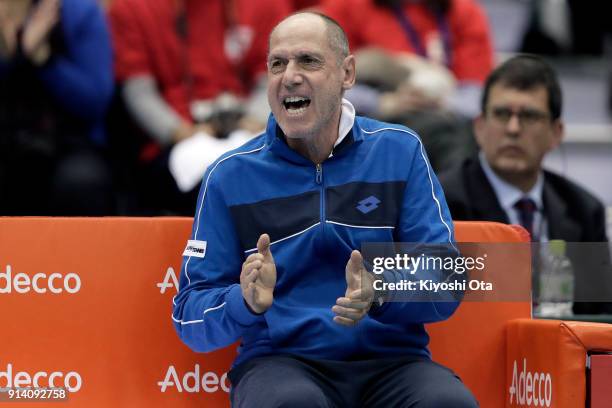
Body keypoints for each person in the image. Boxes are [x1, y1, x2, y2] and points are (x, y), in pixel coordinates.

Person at [172, 11, 477, 407]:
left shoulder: (400, 151)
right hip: (280, 363)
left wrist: (382, 288)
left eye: (308, 61)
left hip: (394, 363)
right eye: (277, 64)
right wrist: (242, 301)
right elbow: (188, 317)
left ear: (347, 73)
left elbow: (447, 278)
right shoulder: (230, 175)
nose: (290, 76)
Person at [439, 55, 612, 315]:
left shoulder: (584, 210)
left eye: (529, 116)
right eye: (501, 114)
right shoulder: (440, 202)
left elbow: (600, 319)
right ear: (479, 127)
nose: (513, 128)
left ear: (556, 133)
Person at [108, 0, 291, 214]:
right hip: (176, 137)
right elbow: (139, 91)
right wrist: (178, 132)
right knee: (218, 184)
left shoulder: (266, 5)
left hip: (252, 126)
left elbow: (272, 77)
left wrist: (253, 121)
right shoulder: (131, 7)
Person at [0, 0, 115, 215]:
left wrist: (44, 59)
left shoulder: (80, 13)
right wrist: (9, 57)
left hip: (69, 143)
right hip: (8, 138)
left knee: (81, 182)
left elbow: (94, 101)